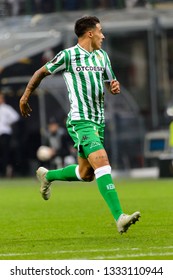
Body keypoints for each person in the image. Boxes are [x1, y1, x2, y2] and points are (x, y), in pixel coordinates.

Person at [19, 16, 141, 234]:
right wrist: (26, 96)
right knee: (102, 162)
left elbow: (110, 83)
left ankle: (48, 176)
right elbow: (41, 72)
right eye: (100, 31)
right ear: (90, 33)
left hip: (98, 122)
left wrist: (114, 86)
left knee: (87, 174)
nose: (103, 36)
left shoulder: (102, 56)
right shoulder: (68, 55)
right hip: (80, 120)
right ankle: (120, 217)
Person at [0, 92, 20, 177]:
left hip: (5, 133)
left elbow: (16, 117)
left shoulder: (7, 108)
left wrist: (8, 122)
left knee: (5, 153)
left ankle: (6, 171)